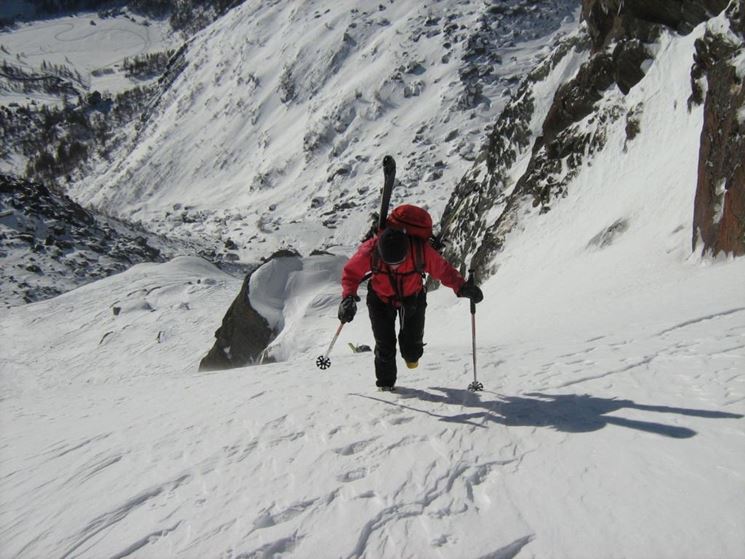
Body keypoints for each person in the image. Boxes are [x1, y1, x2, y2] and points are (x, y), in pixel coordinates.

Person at [339, 227, 483, 391]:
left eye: (398, 262)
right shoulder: (370, 250)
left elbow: (443, 270)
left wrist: (462, 287)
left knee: (412, 353)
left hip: (412, 296)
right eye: (390, 263)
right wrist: (348, 297)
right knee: (384, 344)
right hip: (380, 298)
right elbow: (351, 272)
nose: (394, 267)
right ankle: (385, 386)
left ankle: (411, 353)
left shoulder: (420, 250)